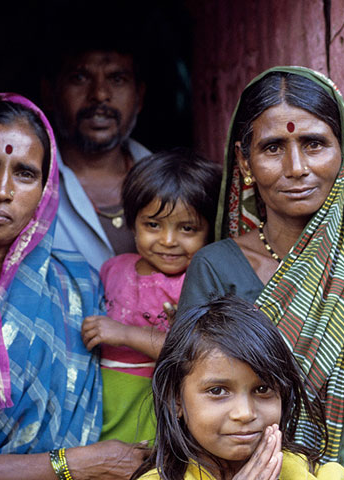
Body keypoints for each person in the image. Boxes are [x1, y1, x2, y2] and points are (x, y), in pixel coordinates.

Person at [178, 67, 344, 480]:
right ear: (244, 161)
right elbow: (187, 404)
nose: (297, 167)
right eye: (273, 148)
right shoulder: (216, 268)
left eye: (314, 144)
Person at [0, 93, 146, 480]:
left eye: (25, 173)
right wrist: (69, 465)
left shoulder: (78, 287)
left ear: (46, 189)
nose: (1, 190)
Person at [80, 149, 221, 444]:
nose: (168, 241)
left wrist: (125, 334)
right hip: (103, 397)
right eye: (153, 225)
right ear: (133, 223)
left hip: (156, 399)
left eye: (187, 228)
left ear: (210, 232)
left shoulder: (197, 282)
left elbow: (194, 353)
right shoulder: (113, 269)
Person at [131, 295, 344, 480]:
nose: (245, 414)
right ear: (176, 399)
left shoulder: (305, 472)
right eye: (217, 391)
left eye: (263, 390)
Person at [42, 41, 150, 272]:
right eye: (79, 78)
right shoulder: (29, 184)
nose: (100, 94)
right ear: (49, 93)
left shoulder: (169, 180)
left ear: (140, 96)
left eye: (117, 79)